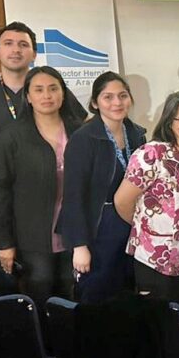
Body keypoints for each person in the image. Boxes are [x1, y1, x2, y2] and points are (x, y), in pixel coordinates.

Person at [0, 21, 87, 297]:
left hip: (44, 198)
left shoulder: (47, 83)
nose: (15, 50)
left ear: (34, 52)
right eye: (8, 43)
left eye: (23, 44)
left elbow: (81, 125)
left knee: (50, 276)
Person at [0, 66, 83, 305]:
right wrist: (5, 243)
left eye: (53, 89)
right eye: (38, 90)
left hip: (76, 235)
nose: (46, 95)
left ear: (63, 93)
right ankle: (43, 343)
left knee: (71, 299)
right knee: (40, 297)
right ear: (27, 96)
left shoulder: (80, 132)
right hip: (33, 236)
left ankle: (67, 343)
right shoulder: (12, 136)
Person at [114, 91, 179, 312]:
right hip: (154, 257)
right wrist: (145, 228)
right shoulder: (152, 154)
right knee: (155, 324)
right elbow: (122, 201)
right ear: (169, 122)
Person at [58, 72, 146, 303]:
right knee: (96, 297)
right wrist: (79, 246)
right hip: (98, 228)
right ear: (95, 103)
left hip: (131, 226)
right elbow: (73, 196)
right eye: (108, 97)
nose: (117, 103)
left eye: (122, 96)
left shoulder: (137, 134)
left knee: (127, 295)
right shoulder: (84, 139)